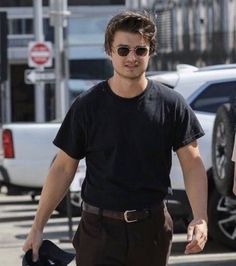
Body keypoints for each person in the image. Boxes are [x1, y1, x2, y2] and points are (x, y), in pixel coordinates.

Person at [23, 11, 208, 266]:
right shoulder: (87, 105)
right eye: (123, 50)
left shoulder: (171, 104)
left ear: (150, 52)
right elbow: (63, 167)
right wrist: (37, 227)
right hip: (98, 231)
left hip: (151, 230)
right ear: (110, 51)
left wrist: (200, 217)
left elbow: (193, 163)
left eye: (140, 50)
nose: (132, 57)